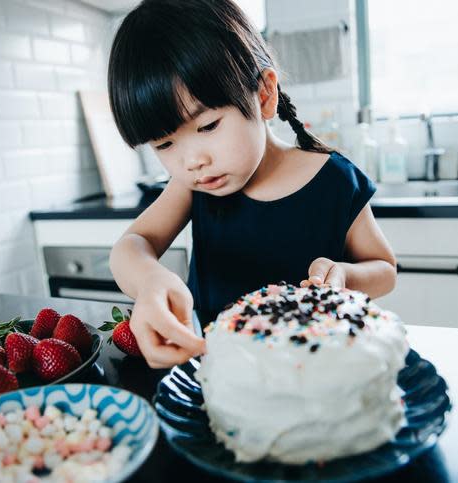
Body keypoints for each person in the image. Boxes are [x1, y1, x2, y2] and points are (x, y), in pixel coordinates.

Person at [107, 0, 397, 368]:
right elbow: (131, 245)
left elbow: (385, 270)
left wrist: (345, 275)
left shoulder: (335, 181)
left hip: (317, 373)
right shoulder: (192, 185)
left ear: (263, 95)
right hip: (219, 375)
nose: (192, 160)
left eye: (208, 126)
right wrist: (149, 281)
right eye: (165, 144)